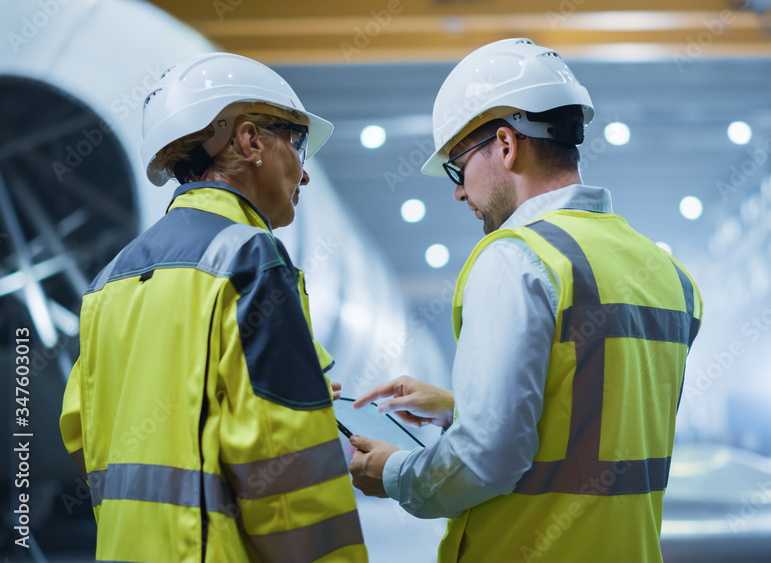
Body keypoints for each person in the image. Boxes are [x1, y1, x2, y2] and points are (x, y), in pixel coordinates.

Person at [347, 38, 703, 562]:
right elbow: (594, 423)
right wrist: (458, 407)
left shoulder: (516, 258)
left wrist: (394, 472)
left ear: (507, 145)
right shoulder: (670, 276)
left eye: (458, 167)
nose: (459, 192)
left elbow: (487, 460)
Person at [59, 52, 367, 562]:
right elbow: (286, 468)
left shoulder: (108, 281)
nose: (304, 174)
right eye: (297, 143)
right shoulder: (248, 259)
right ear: (249, 141)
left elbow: (81, 429)